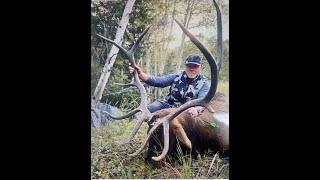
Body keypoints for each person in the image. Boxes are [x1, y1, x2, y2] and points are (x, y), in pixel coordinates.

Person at [129, 54, 210, 117]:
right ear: (185, 67)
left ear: (200, 68)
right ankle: (134, 125)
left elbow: (203, 101)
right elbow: (158, 81)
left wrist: (196, 109)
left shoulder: (204, 83)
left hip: (188, 111)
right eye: (189, 66)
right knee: (149, 109)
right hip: (168, 104)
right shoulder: (177, 76)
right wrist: (139, 73)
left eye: (195, 66)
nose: (192, 69)